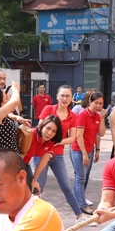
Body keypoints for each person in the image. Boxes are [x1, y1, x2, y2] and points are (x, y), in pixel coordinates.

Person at [36, 86, 83, 217]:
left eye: (68, 96)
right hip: (41, 153)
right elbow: (40, 129)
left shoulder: (73, 116)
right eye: (62, 95)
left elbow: (72, 138)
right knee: (38, 187)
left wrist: (58, 142)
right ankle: (32, 216)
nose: (64, 98)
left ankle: (79, 215)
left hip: (58, 155)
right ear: (57, 96)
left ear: (71, 98)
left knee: (67, 187)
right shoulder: (48, 109)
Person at [70, 90, 105, 215]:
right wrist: (84, 154)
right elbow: (79, 136)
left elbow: (100, 133)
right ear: (90, 101)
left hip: (89, 150)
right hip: (79, 150)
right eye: (96, 103)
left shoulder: (97, 116)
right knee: (80, 178)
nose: (98, 106)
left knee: (83, 178)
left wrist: (97, 150)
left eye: (101, 103)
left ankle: (78, 201)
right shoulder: (83, 115)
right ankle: (82, 205)